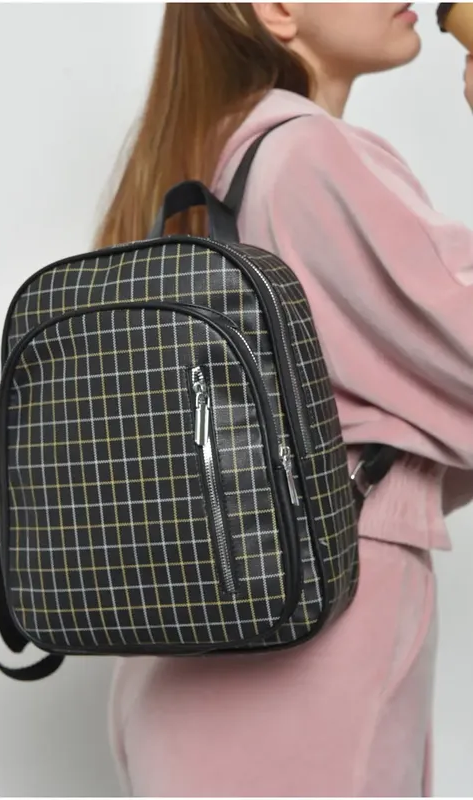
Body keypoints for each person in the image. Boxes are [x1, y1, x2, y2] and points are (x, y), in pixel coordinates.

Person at [95, 4, 473, 796]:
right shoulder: (309, 156)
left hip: (178, 653)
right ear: (275, 10)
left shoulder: (199, 166)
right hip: (314, 644)